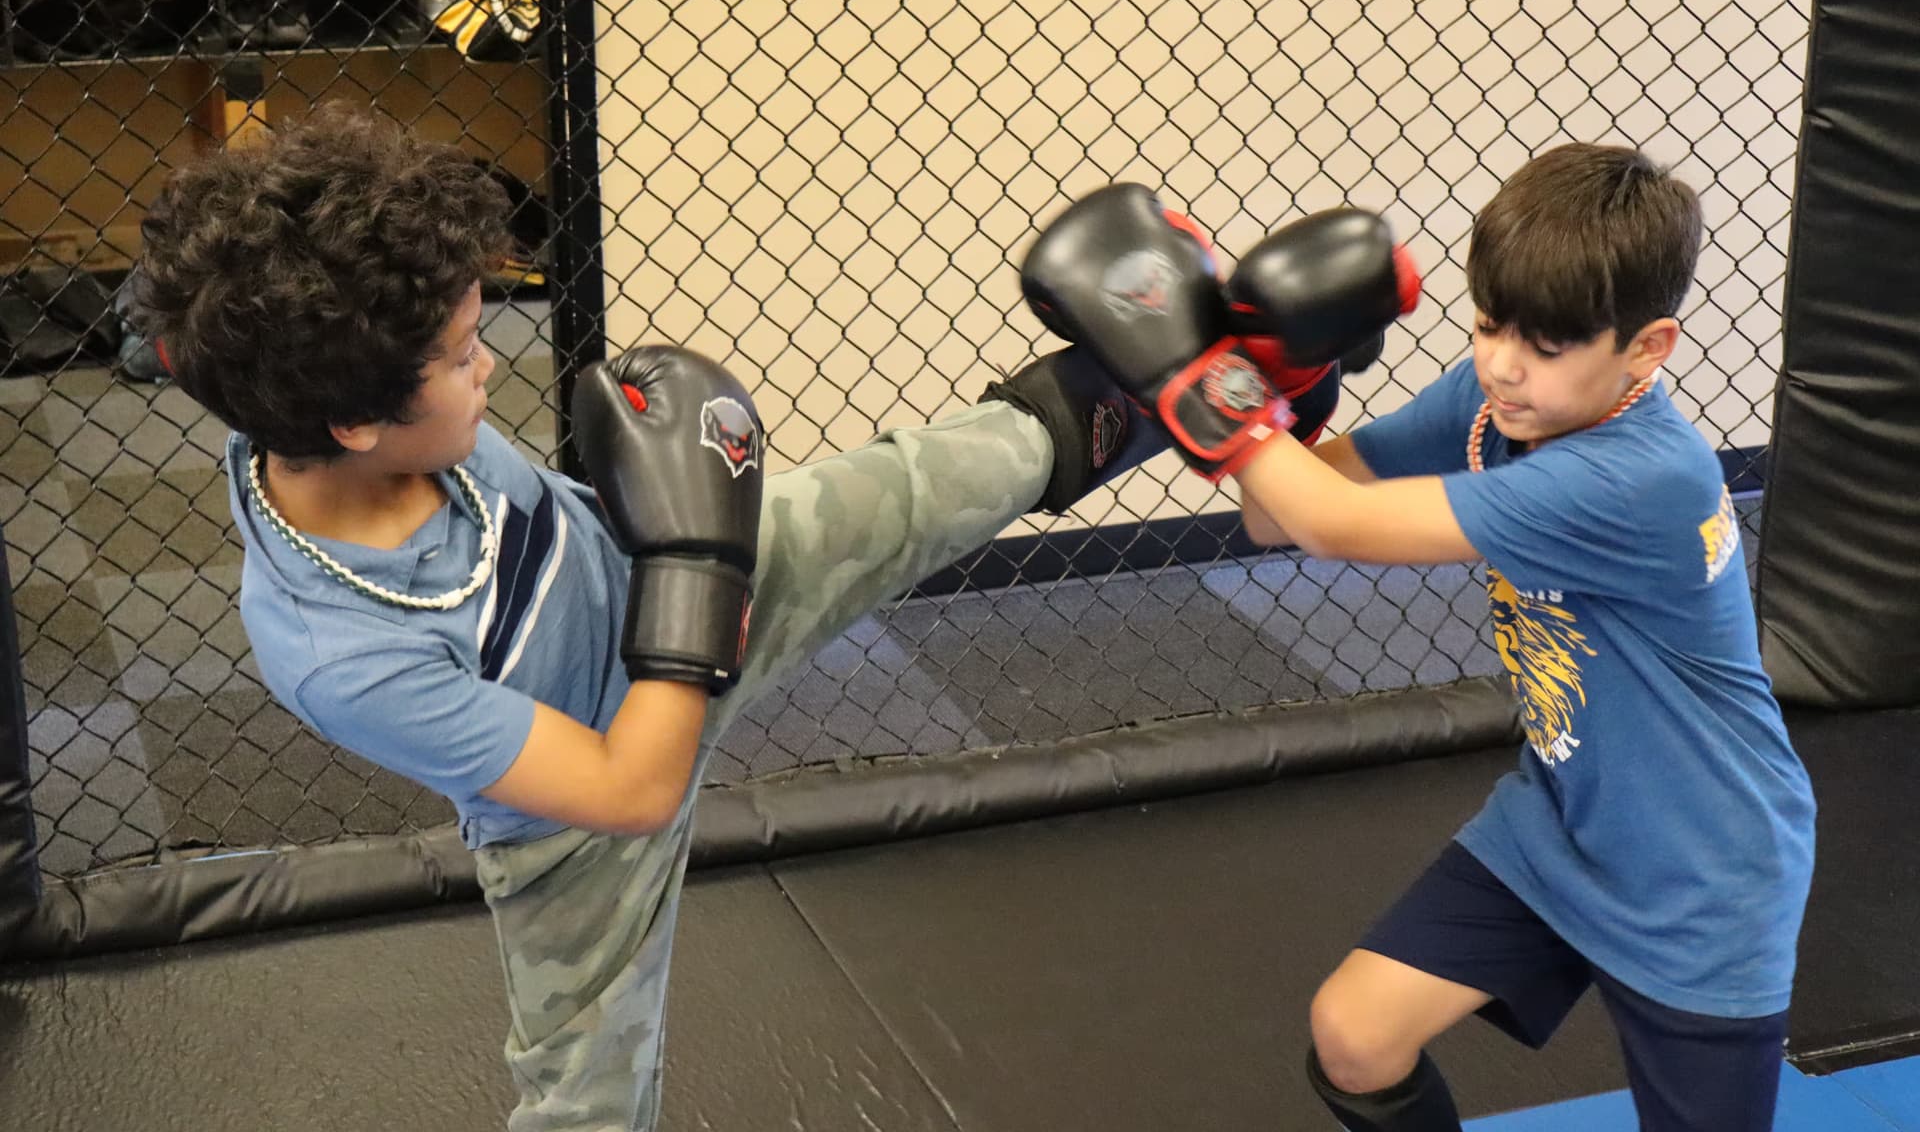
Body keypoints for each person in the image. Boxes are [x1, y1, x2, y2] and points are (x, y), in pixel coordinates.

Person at [130, 103, 1361, 1130]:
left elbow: (285, 312)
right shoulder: (338, 651)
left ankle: (1209, 379)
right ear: (354, 421)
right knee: (585, 1086)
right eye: (459, 357)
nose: (489, 362)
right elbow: (631, 788)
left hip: (668, 573)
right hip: (581, 803)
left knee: (941, 476)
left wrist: (689, 557)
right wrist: (700, 562)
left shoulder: (319, 382)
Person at [1016, 147, 1817, 1132]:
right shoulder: (1493, 403)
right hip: (1563, 825)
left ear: (1647, 348)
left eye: (1548, 345)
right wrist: (1279, 379)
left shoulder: (1644, 476)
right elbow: (1280, 512)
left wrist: (1201, 378)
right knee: (1355, 1037)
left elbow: (1336, 525)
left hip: (1705, 874)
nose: (1504, 364)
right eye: (1489, 324)